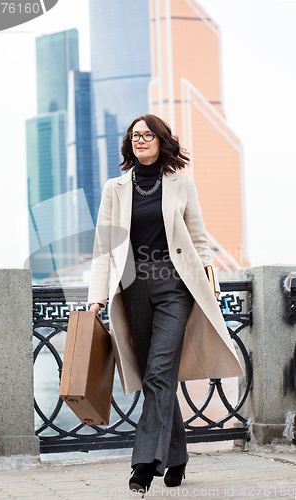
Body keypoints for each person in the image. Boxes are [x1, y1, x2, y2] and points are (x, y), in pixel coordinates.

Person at [88, 114, 243, 493]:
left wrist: (211, 284)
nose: (140, 140)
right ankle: (177, 457)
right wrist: (97, 296)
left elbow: (199, 240)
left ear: (161, 140)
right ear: (129, 143)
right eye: (134, 135)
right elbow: (104, 248)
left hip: (175, 287)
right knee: (158, 375)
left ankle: (143, 464)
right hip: (133, 289)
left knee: (158, 372)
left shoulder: (181, 184)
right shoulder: (115, 188)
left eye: (147, 135)